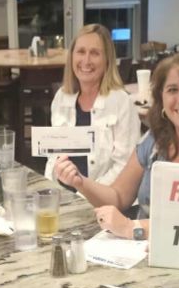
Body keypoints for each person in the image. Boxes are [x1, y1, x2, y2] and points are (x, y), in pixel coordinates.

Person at [53, 52, 179, 239]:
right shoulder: (155, 140)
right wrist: (80, 182)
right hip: (137, 251)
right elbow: (118, 197)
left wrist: (132, 228)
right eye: (172, 90)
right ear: (161, 98)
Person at [45, 24, 140, 188]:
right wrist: (53, 184)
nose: (86, 61)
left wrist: (86, 192)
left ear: (107, 60)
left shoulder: (121, 102)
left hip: (104, 196)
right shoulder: (61, 97)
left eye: (95, 53)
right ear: (72, 56)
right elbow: (53, 157)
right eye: (81, 52)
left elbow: (125, 166)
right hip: (63, 194)